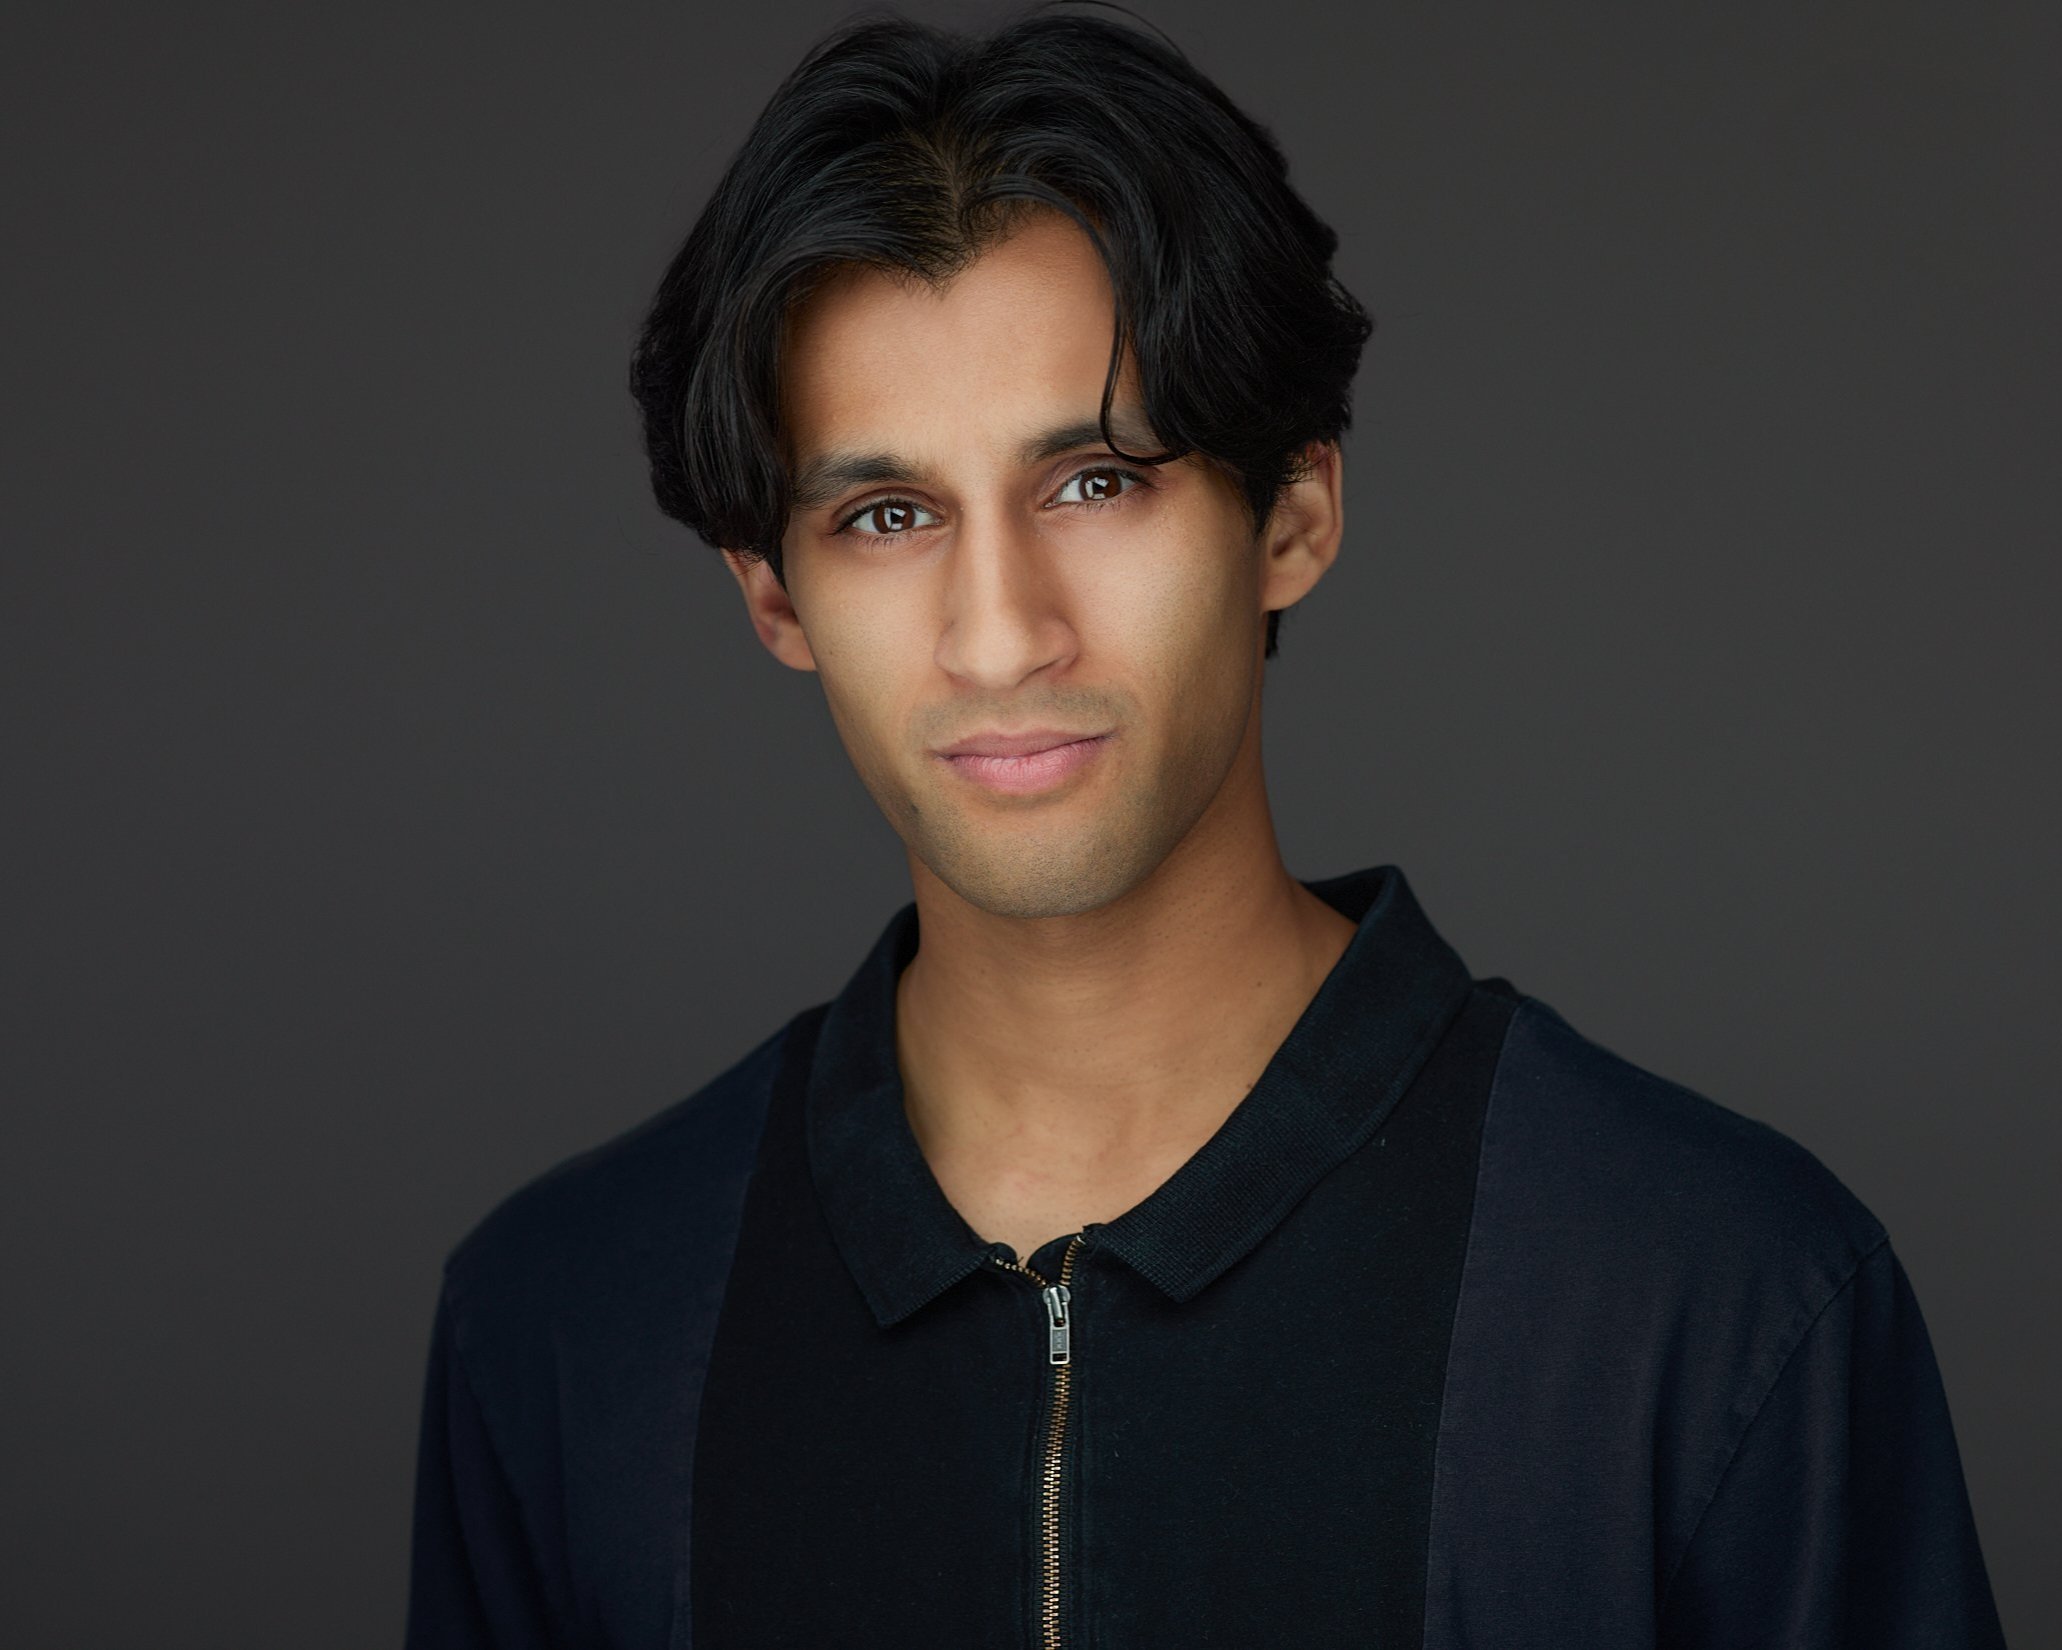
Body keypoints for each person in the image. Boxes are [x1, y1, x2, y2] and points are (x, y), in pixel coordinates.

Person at [403, 6, 2007, 1646]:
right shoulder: (565, 1330)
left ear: (1293, 515)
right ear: (772, 593)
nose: (998, 633)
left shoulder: (1711, 1300)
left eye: (1095, 480)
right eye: (886, 516)